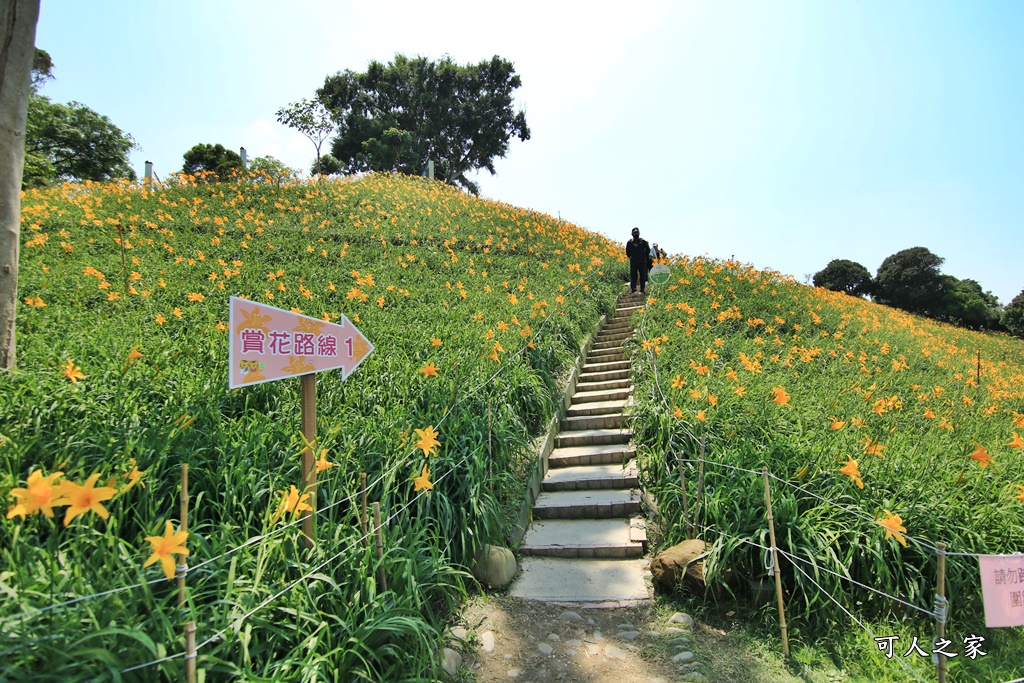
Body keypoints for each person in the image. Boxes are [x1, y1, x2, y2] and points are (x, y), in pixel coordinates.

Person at [625, 227, 651, 294]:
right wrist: (632, 257)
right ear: (632, 234)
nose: (635, 234)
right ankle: (633, 289)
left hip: (642, 261)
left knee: (643, 275)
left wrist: (644, 256)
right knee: (633, 275)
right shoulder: (629, 242)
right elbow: (627, 252)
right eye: (634, 233)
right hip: (633, 261)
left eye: (637, 233)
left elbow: (648, 250)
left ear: (639, 233)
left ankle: (642, 289)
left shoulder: (643, 242)